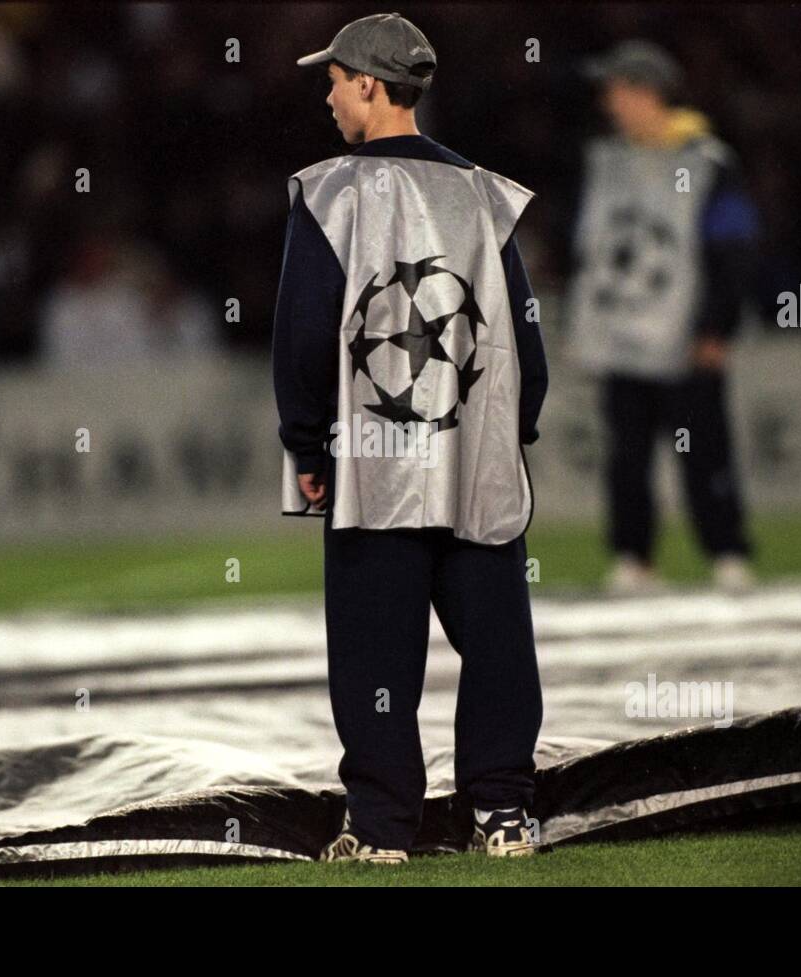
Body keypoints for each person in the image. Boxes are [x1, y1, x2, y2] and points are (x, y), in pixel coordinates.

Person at [274, 13, 548, 863]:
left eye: (333, 79)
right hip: (473, 463)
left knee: (375, 656)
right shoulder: (482, 192)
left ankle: (383, 825)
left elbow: (303, 336)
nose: (326, 94)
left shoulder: (329, 192)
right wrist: (510, 434)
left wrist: (308, 447)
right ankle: (501, 812)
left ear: (367, 83)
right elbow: (525, 345)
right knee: (497, 643)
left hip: (374, 468)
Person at [566, 41, 758, 595]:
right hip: (619, 336)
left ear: (648, 93)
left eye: (618, 90)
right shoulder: (605, 160)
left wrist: (716, 327)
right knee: (626, 455)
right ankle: (633, 556)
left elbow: (732, 249)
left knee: (704, 449)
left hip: (684, 334)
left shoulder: (707, 161)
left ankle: (726, 551)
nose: (608, 102)